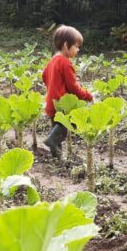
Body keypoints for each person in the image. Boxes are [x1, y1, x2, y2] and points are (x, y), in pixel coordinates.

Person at [42, 25, 93, 158]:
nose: (78, 49)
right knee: (68, 126)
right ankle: (51, 141)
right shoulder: (65, 62)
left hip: (51, 102)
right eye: (76, 46)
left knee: (56, 129)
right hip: (62, 104)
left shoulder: (52, 60)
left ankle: (56, 158)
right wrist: (87, 95)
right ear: (66, 45)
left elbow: (44, 76)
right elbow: (73, 87)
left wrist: (53, 88)